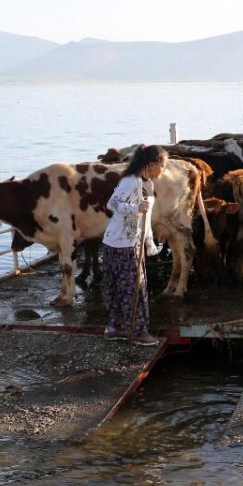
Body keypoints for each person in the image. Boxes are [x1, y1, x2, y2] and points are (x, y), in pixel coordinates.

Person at [101, 145, 166, 346]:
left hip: (130, 241)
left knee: (128, 287)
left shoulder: (147, 183)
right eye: (162, 166)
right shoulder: (131, 182)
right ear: (152, 164)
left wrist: (149, 243)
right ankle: (136, 332)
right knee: (131, 288)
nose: (163, 170)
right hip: (121, 244)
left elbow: (144, 219)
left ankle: (118, 327)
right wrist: (135, 208)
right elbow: (111, 204)